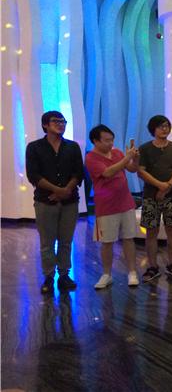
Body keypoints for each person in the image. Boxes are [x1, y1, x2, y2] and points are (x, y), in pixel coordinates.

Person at [26, 111, 83, 294]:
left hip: (69, 201)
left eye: (63, 121)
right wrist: (57, 191)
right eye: (56, 121)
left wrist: (65, 190)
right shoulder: (34, 147)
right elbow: (33, 175)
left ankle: (64, 275)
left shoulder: (72, 147)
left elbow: (78, 173)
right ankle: (49, 276)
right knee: (47, 242)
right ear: (45, 125)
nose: (60, 124)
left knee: (66, 241)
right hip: (45, 200)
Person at [85, 124, 140, 289]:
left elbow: (132, 169)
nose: (111, 143)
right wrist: (126, 158)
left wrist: (135, 158)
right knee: (107, 242)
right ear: (95, 141)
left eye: (112, 140)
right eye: (107, 140)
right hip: (106, 206)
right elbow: (107, 172)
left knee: (129, 238)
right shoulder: (91, 158)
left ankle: (132, 272)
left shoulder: (117, 152)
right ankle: (107, 274)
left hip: (126, 203)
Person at [138, 115, 172, 282]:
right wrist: (160, 185)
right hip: (151, 196)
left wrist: (167, 186)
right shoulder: (145, 148)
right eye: (160, 126)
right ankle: (152, 266)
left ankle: (171, 263)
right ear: (153, 129)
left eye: (166, 126)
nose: (164, 129)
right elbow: (140, 171)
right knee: (151, 232)